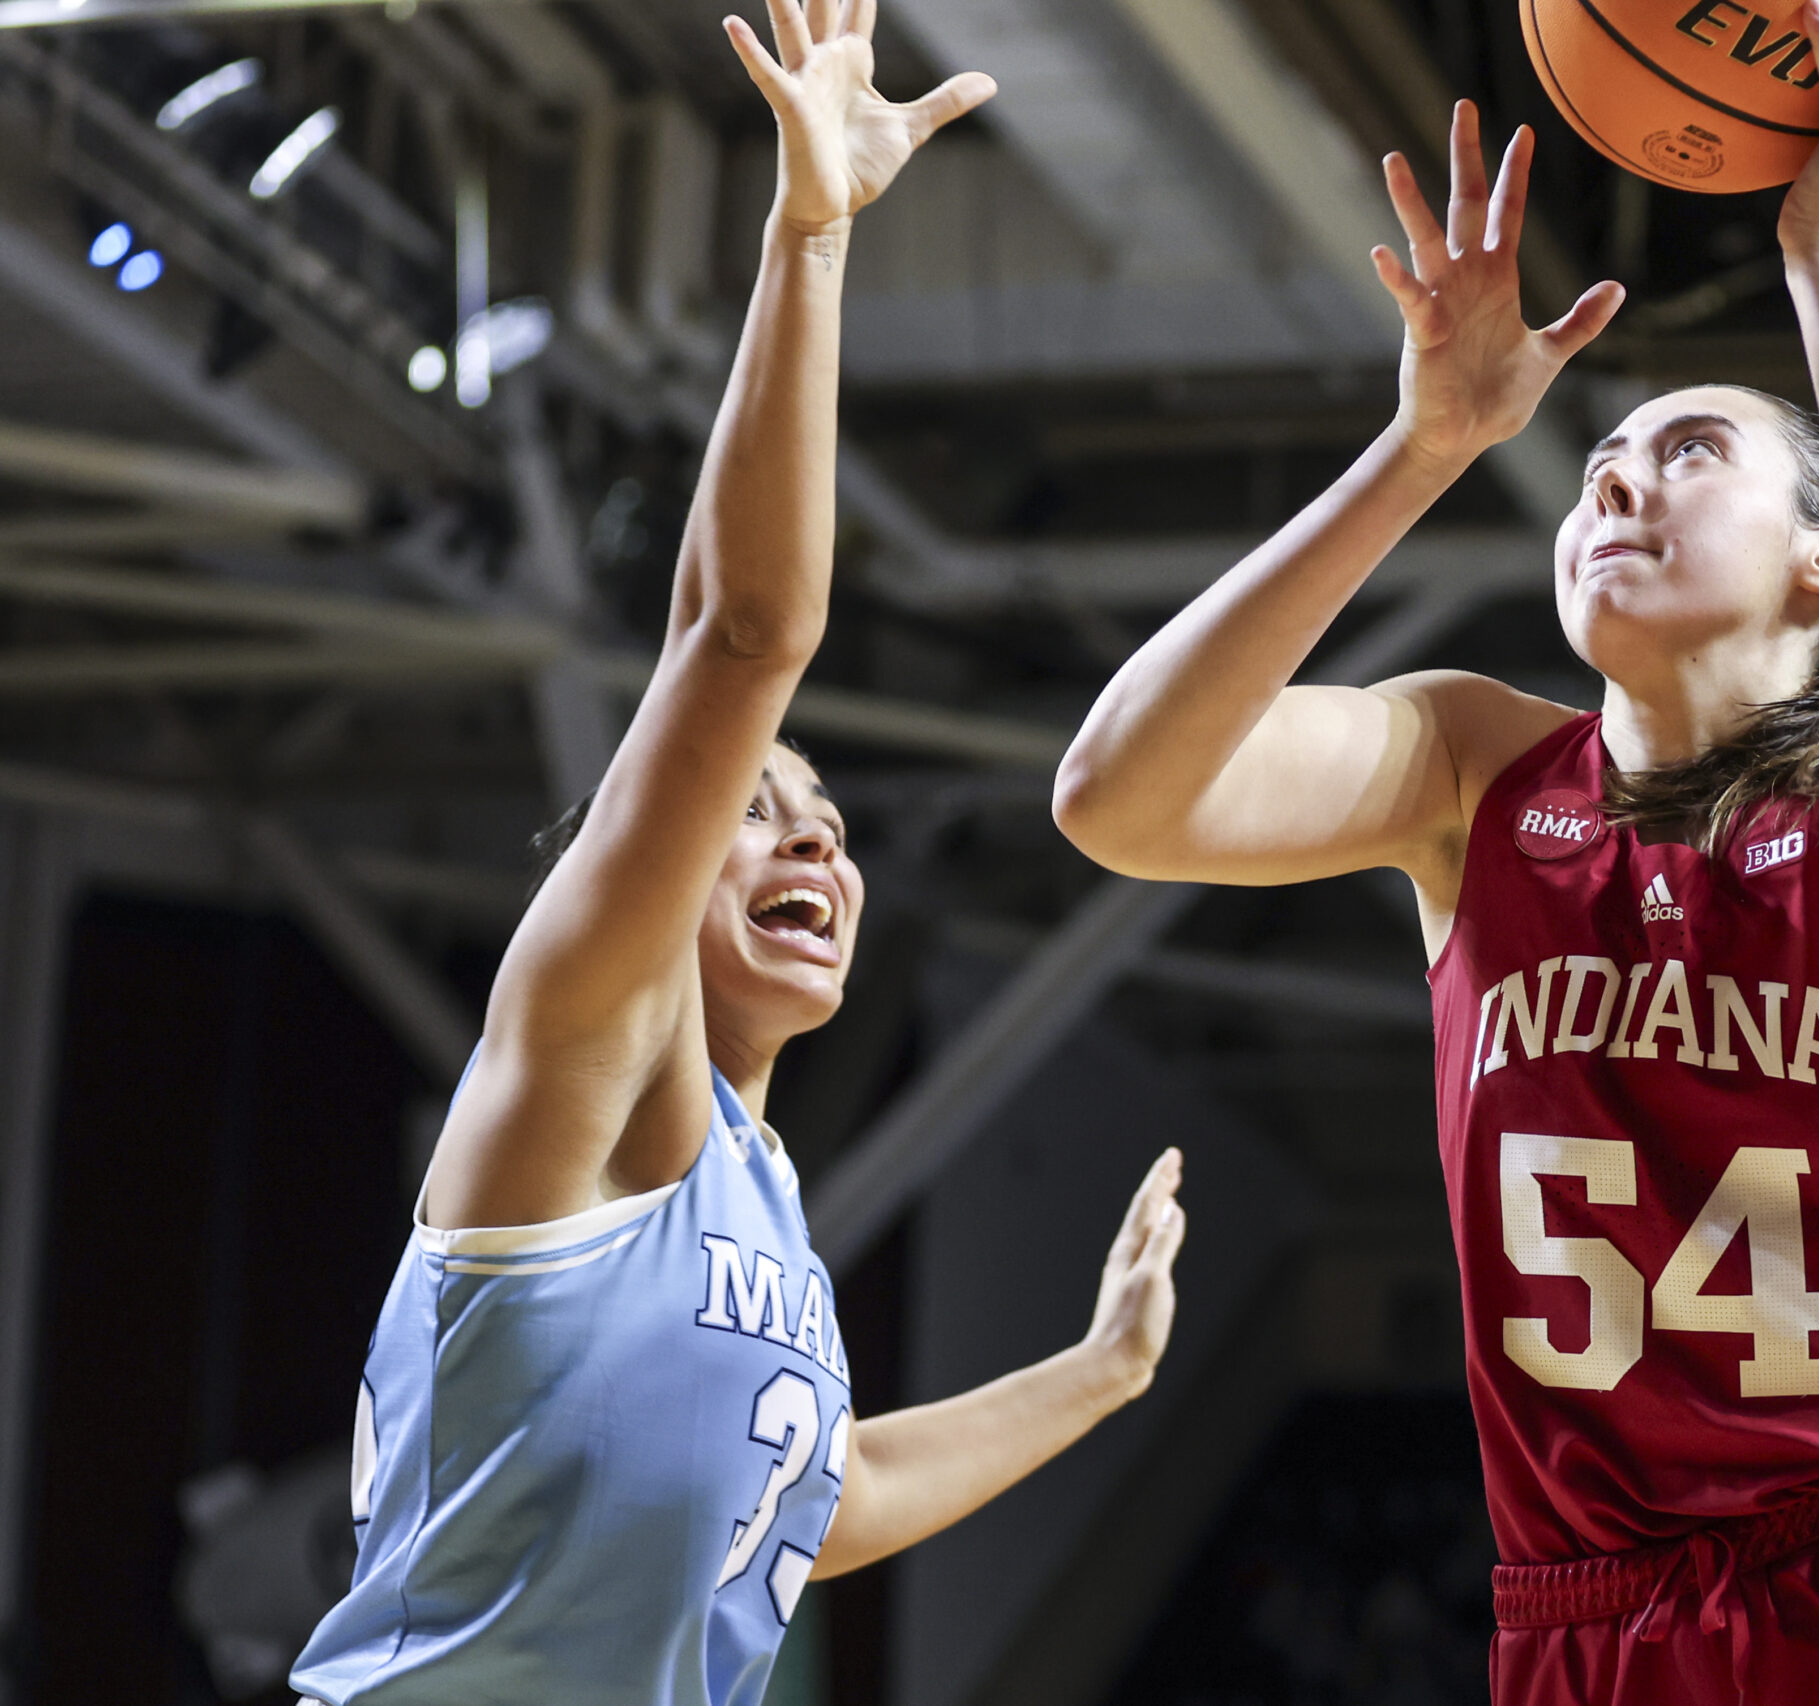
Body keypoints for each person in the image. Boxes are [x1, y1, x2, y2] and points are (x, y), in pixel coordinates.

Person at [1050, 0, 1819, 1700]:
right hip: (1605, 1625)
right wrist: (1420, 449)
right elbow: (1117, 794)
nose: (1616, 484)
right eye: (1598, 458)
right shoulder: (1469, 770)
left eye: (1688, 450)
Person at [289, 5, 1187, 1701]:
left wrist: (1103, 1373)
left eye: (832, 828)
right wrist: (811, 238)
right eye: (759, 812)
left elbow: (812, 1492)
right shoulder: (588, 1045)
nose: (815, 847)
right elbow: (742, 630)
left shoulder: (755, 1203)